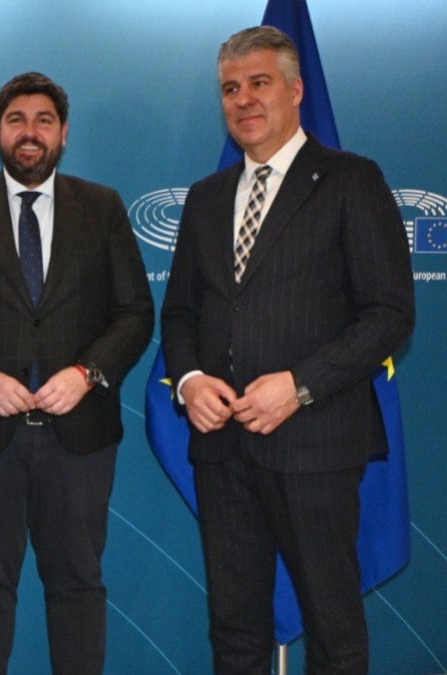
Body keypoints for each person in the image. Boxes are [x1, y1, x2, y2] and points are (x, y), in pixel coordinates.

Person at [160, 26, 415, 674]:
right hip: (222, 451)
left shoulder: (352, 180)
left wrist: (299, 384)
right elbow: (181, 311)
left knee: (333, 630)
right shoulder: (205, 197)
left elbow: (389, 313)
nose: (243, 99)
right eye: (230, 88)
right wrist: (189, 380)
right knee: (235, 629)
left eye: (259, 83)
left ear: (297, 90)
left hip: (317, 443)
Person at [0, 72, 154, 674]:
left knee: (79, 585)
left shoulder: (102, 205)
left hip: (79, 436)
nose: (30, 133)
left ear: (63, 133)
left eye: (44, 121)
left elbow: (135, 312)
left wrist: (87, 373)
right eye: (16, 121)